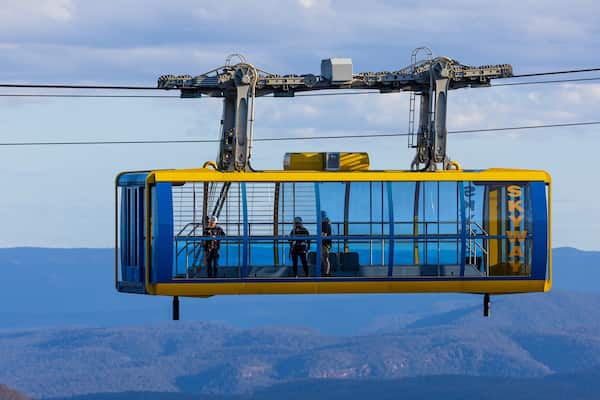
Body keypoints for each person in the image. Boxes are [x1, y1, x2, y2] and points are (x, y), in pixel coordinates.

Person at [321, 211, 332, 276]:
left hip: (325, 243)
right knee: (324, 259)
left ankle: (327, 273)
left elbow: (324, 235)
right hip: (326, 243)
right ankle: (326, 273)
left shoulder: (324, 224)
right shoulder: (327, 223)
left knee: (325, 258)